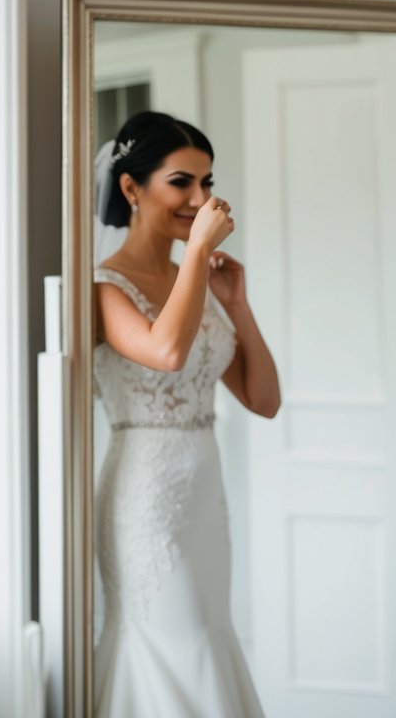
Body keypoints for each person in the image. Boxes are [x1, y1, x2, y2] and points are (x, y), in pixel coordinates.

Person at [91, 111, 281, 717]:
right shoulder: (104, 287)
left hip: (204, 489)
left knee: (207, 635)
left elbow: (264, 400)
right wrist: (200, 249)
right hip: (144, 494)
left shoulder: (192, 279)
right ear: (131, 187)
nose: (201, 199)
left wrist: (239, 307)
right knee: (169, 639)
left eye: (207, 182)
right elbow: (166, 352)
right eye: (182, 182)